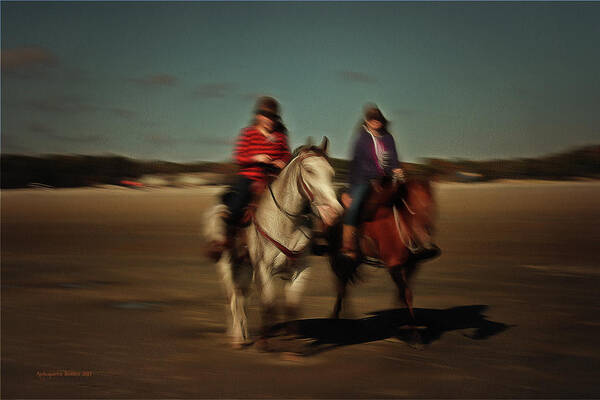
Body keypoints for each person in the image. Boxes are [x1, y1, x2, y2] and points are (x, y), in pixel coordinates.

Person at [341, 104, 437, 261]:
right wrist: (350, 191)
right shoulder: (361, 139)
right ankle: (348, 245)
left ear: (382, 120)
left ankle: (423, 241)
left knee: (411, 200)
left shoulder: (388, 137)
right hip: (363, 181)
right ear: (367, 121)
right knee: (354, 205)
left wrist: (397, 169)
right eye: (372, 119)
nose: (375, 121)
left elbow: (393, 159)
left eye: (378, 118)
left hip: (386, 179)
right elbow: (357, 164)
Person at [220, 96, 291, 237]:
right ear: (258, 116)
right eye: (267, 116)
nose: (270, 120)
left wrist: (282, 161)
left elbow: (286, 153)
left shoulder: (280, 136)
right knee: (235, 207)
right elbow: (239, 157)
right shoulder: (248, 133)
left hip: (273, 179)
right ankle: (228, 239)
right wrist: (256, 158)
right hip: (249, 177)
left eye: (273, 117)